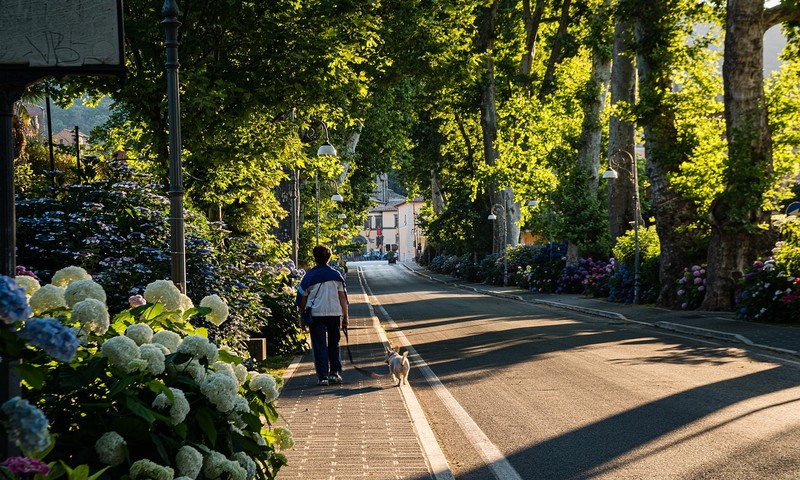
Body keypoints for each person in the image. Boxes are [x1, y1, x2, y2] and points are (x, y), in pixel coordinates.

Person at [296, 245, 349, 386]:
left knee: (319, 346)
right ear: (329, 258)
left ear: (315, 258)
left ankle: (323, 376)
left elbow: (302, 299)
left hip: (316, 314)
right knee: (334, 344)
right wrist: (345, 317)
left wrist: (302, 318)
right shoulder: (336, 275)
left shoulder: (309, 276)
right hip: (334, 313)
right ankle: (334, 373)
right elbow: (343, 298)